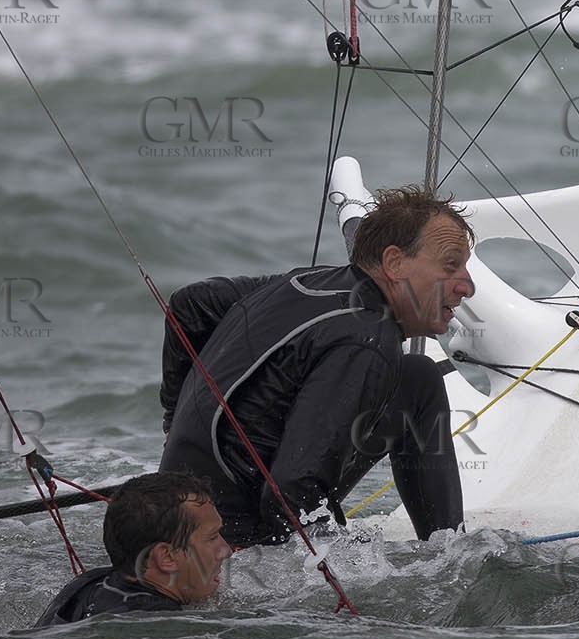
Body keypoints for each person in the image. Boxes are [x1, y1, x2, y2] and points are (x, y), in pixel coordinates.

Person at [159, 185, 474, 547]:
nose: (467, 286)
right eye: (451, 266)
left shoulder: (307, 283)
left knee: (419, 377)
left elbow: (191, 304)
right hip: (229, 535)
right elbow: (293, 495)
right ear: (394, 263)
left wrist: (174, 424)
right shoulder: (368, 339)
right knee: (417, 378)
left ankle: (446, 548)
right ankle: (448, 561)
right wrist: (344, 561)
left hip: (179, 499)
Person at [35, 472, 232, 625]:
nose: (226, 550)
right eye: (212, 537)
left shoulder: (87, 582)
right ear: (167, 557)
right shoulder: (157, 626)